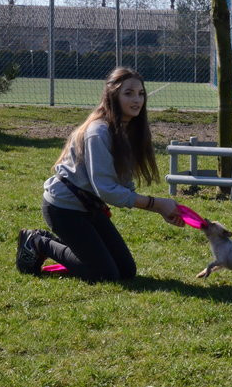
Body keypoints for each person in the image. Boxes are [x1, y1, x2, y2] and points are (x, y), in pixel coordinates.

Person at [15, 67, 185, 282]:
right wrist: (156, 204)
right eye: (128, 93)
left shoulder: (128, 129)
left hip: (90, 208)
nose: (137, 100)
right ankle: (38, 242)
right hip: (64, 208)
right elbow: (107, 190)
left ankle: (81, 250)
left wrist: (160, 210)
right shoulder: (99, 132)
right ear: (112, 95)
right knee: (104, 274)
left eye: (141, 93)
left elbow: (122, 183)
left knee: (125, 271)